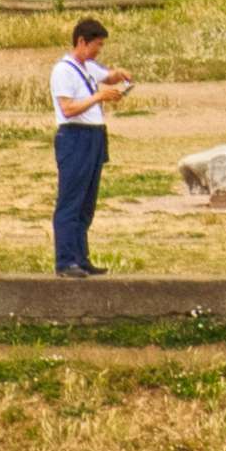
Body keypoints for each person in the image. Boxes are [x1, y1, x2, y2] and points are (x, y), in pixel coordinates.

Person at [50, 16, 126, 275]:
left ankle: (81, 257)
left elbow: (108, 76)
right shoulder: (63, 70)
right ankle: (65, 260)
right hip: (74, 137)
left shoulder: (87, 66)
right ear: (81, 42)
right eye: (96, 45)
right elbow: (68, 108)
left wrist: (119, 76)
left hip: (94, 136)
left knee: (87, 201)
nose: (98, 50)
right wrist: (99, 96)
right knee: (71, 199)